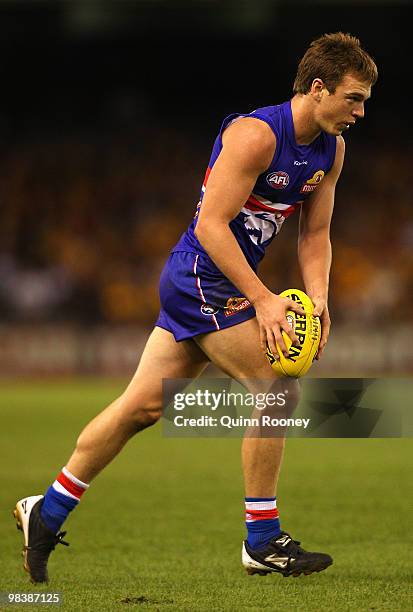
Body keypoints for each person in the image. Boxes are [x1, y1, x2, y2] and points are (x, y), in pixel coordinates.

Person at [14, 32, 377, 583]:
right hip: (199, 278)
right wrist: (263, 299)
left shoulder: (333, 149)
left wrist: (320, 298)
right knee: (279, 388)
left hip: (212, 285)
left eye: (366, 101)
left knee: (140, 408)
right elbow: (210, 225)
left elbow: (316, 232)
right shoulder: (256, 136)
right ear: (318, 88)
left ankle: (47, 510)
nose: (360, 111)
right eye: (353, 98)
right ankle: (261, 540)